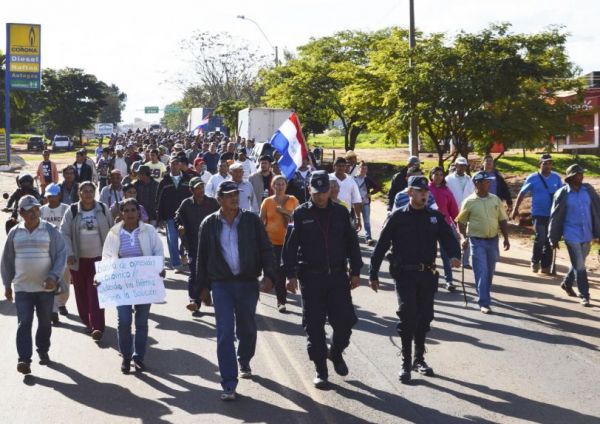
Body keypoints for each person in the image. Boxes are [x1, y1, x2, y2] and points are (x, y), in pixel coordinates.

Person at [369, 176, 461, 384]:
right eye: (420, 191)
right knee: (407, 317)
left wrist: (455, 255)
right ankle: (405, 361)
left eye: (426, 191)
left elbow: (448, 238)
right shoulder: (397, 218)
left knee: (425, 317)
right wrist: (373, 273)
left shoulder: (435, 217)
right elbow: (381, 245)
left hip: (427, 275)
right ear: (410, 193)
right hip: (405, 275)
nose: (424, 195)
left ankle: (419, 358)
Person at [192, 181, 276, 401]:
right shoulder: (209, 224)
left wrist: (270, 275)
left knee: (247, 327)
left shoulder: (251, 220)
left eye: (236, 195)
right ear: (219, 199)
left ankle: (245, 358)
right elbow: (202, 258)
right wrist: (201, 289)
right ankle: (229, 382)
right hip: (221, 285)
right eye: (228, 195)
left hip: (248, 282)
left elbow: (266, 248)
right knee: (225, 333)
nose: (234, 198)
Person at [282, 171, 363, 389]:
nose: (320, 197)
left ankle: (335, 352)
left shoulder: (340, 212)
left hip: (337, 277)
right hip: (311, 278)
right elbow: (289, 247)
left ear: (330, 190)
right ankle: (321, 369)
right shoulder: (299, 214)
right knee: (314, 326)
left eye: (324, 192)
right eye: (316, 193)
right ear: (310, 190)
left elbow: (352, 243)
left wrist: (356, 271)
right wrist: (289, 275)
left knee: (345, 322)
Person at [1, 195, 67, 375]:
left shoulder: (50, 230)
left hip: (46, 288)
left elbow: (61, 255)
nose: (34, 213)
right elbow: (6, 260)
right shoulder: (15, 232)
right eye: (29, 210)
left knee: (45, 322)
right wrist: (7, 284)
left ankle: (43, 349)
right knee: (24, 323)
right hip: (22, 288)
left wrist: (54, 276)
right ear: (21, 213)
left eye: (37, 209)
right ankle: (24, 359)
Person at [102, 198, 164, 373]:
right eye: (126, 210)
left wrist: (159, 268)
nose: (129, 214)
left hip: (144, 284)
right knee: (124, 321)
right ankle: (126, 356)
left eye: (133, 210)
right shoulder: (114, 233)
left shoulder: (149, 231)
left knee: (141, 322)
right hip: (123, 285)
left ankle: (139, 357)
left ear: (138, 212)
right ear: (121, 213)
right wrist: (101, 276)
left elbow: (158, 251)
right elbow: (106, 257)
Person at [60, 181, 114, 340]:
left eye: (91, 190)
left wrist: (112, 255)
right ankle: (88, 322)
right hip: (78, 260)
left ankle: (97, 327)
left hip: (99, 260)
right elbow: (64, 233)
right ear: (79, 193)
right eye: (85, 191)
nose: (88, 193)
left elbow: (112, 232)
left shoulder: (103, 209)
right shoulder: (72, 210)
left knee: (95, 292)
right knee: (81, 294)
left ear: (95, 192)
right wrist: (69, 253)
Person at [456, 171, 510, 314]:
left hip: (493, 240)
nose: (489, 183)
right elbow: (460, 222)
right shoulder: (469, 202)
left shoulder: (495, 199)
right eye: (486, 181)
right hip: (476, 241)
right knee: (482, 271)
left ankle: (483, 292)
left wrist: (506, 237)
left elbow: (502, 219)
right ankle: (484, 302)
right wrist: (462, 238)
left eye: (489, 181)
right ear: (477, 184)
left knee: (490, 271)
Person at [549, 164, 600, 307]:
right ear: (571, 177)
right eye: (579, 174)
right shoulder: (562, 194)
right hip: (571, 234)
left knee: (579, 262)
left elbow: (597, 209)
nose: (582, 176)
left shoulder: (588, 190)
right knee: (580, 265)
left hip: (587, 233)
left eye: (582, 174)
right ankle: (585, 295)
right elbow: (555, 217)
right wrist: (553, 237)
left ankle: (567, 283)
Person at [175, 176, 219, 317]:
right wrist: (180, 226)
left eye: (202, 187)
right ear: (191, 189)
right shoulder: (186, 204)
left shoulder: (212, 203)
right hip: (193, 244)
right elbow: (177, 217)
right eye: (197, 188)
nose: (201, 190)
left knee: (211, 272)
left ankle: (206, 293)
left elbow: (222, 216)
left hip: (211, 245)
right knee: (194, 273)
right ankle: (195, 302)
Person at [511, 153, 562, 274]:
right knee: (541, 236)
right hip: (538, 213)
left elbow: (562, 194)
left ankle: (546, 265)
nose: (547, 165)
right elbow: (522, 193)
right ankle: (535, 261)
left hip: (552, 214)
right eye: (545, 163)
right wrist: (515, 208)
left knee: (550, 240)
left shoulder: (556, 178)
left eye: (550, 163)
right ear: (540, 164)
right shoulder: (533, 177)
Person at [260, 175, 299, 313]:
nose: (280, 186)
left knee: (288, 269)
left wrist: (284, 211)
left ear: (286, 185)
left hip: (289, 242)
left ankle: (290, 286)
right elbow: (261, 221)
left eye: (282, 184)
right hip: (272, 243)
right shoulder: (267, 202)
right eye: (277, 184)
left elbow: (298, 218)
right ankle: (281, 301)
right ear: (272, 186)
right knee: (278, 272)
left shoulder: (293, 200)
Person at [40, 183, 71, 323]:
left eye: (53, 196)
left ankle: (61, 304)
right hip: (46, 252)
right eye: (49, 196)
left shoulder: (67, 210)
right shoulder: (40, 211)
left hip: (63, 252)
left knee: (64, 282)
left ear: (59, 195)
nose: (51, 199)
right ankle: (53, 311)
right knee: (50, 281)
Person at [156, 155, 191, 271]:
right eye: (172, 163)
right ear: (169, 165)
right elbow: (159, 201)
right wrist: (160, 218)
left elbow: (192, 197)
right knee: (172, 240)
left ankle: (184, 254)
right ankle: (176, 264)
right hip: (169, 216)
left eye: (176, 163)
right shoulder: (164, 182)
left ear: (180, 165)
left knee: (186, 238)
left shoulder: (187, 180)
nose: (174, 165)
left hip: (185, 215)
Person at [428, 167, 460, 291]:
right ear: (431, 175)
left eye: (441, 175)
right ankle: (430, 279)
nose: (438, 177)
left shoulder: (446, 191)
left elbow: (454, 211)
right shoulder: (426, 189)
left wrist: (457, 228)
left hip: (444, 226)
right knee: (430, 254)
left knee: (446, 255)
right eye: (436, 174)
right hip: (428, 226)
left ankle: (449, 280)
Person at [445, 156, 475, 268]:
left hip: (467, 212)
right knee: (454, 237)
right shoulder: (448, 179)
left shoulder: (470, 180)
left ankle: (466, 261)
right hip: (453, 212)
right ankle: (455, 258)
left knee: (467, 236)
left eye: (464, 165)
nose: (462, 167)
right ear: (456, 165)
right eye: (460, 165)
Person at [329, 157, 362, 231]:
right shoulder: (328, 178)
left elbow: (356, 200)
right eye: (339, 166)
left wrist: (358, 218)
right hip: (329, 214)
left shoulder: (351, 180)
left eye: (343, 166)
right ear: (334, 166)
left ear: (346, 167)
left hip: (346, 215)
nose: (341, 168)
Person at [353, 162, 381, 246]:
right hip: (355, 203)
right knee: (354, 220)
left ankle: (368, 237)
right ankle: (354, 237)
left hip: (365, 203)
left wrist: (371, 193)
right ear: (358, 169)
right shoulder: (353, 179)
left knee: (367, 221)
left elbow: (378, 187)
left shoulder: (367, 179)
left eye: (365, 168)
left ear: (367, 170)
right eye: (362, 168)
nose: (363, 170)